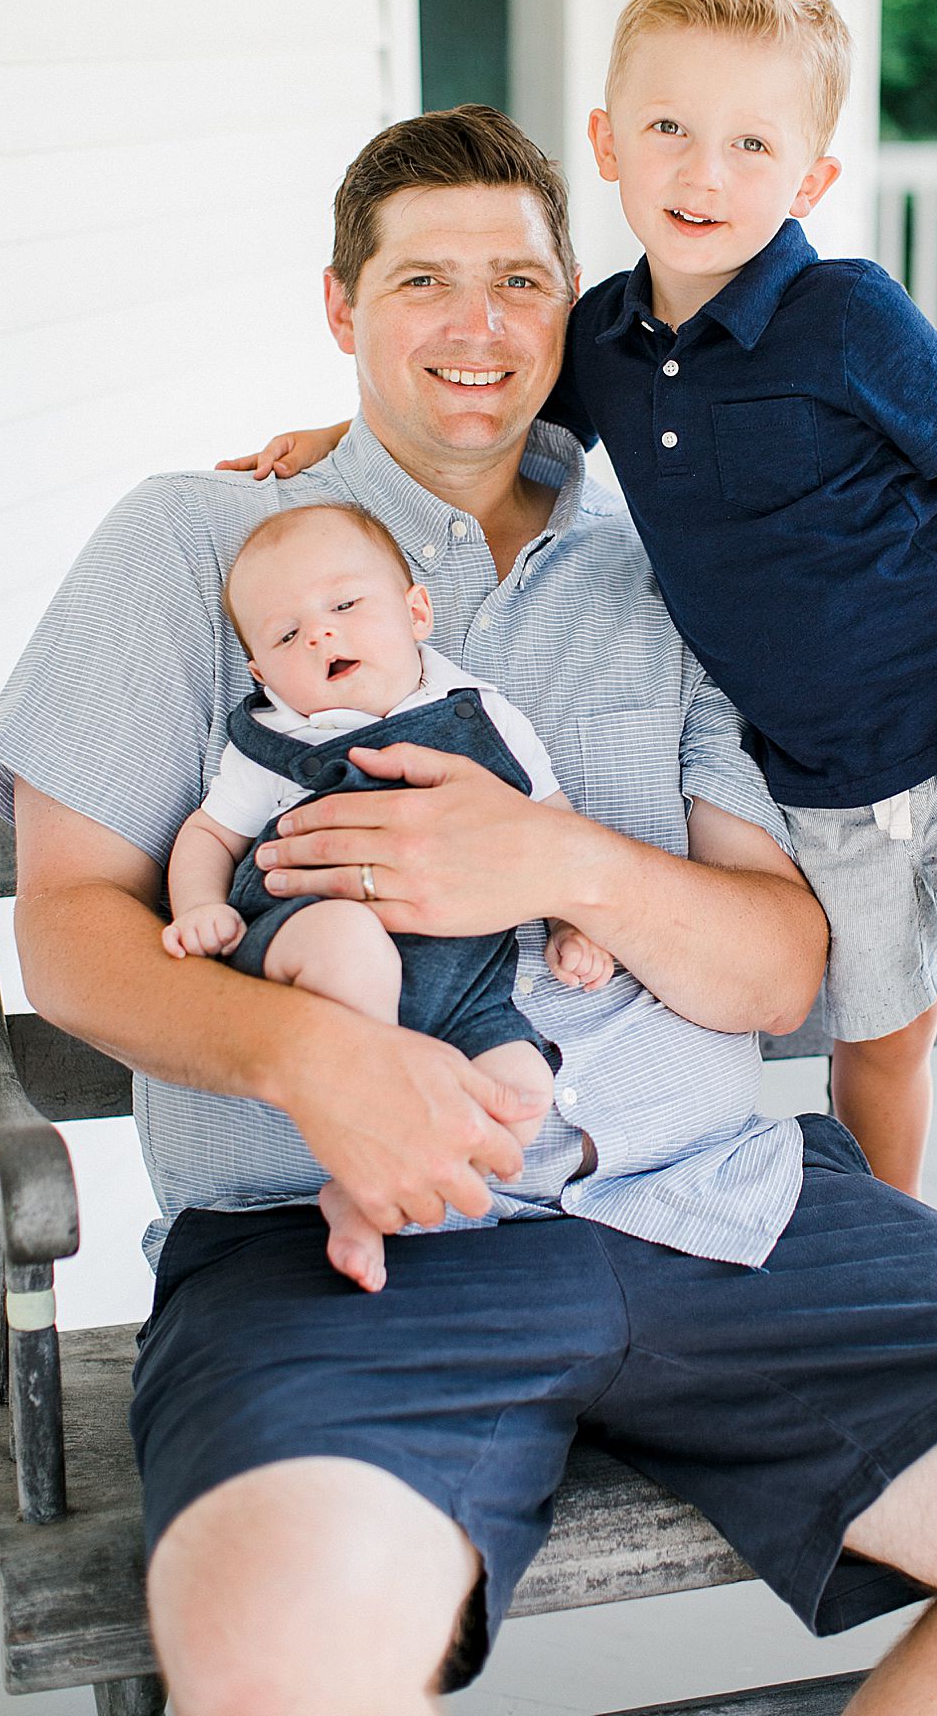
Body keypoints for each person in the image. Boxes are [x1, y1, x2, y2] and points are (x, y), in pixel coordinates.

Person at [0, 106, 937, 1716]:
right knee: (280, 1643)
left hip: (726, 1210)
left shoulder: (675, 569)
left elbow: (782, 971)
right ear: (342, 311)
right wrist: (320, 1064)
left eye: (519, 282)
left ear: (574, 316)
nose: (478, 326)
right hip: (342, 1251)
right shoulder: (197, 545)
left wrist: (561, 861)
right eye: (424, 282)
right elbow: (71, 928)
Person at [255, 0, 937, 1320]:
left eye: (750, 143)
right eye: (666, 127)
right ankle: (904, 1255)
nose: (701, 170)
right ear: (607, 141)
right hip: (819, 784)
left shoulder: (850, 315)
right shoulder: (602, 340)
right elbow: (505, 423)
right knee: (879, 1047)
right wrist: (343, 437)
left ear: (811, 180)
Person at [164, 498, 613, 1291]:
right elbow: (209, 835)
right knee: (351, 945)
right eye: (285, 634)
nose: (320, 634)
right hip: (306, 925)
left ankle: (364, 1199)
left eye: (344, 605)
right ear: (264, 676)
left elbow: (552, 828)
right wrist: (200, 906)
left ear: (416, 613)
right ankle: (369, 1107)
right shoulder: (280, 738)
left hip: (464, 986)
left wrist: (576, 920)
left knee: (522, 1090)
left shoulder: (485, 716)